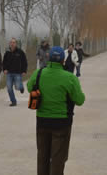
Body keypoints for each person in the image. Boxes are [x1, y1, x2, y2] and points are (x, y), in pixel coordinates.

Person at [27, 46, 85, 175]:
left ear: (49, 59)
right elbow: (80, 100)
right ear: (63, 61)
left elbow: (29, 87)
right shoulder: (70, 78)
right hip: (62, 123)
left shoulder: (39, 73)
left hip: (42, 121)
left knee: (42, 157)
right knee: (58, 159)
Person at [2, 38, 27, 107]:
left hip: (17, 73)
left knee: (18, 87)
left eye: (14, 42)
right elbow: (4, 62)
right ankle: (13, 101)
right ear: (9, 44)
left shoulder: (20, 52)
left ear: (16, 44)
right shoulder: (7, 53)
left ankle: (21, 87)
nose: (12, 44)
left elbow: (24, 62)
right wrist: (4, 69)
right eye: (11, 42)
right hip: (9, 73)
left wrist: (24, 71)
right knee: (9, 87)